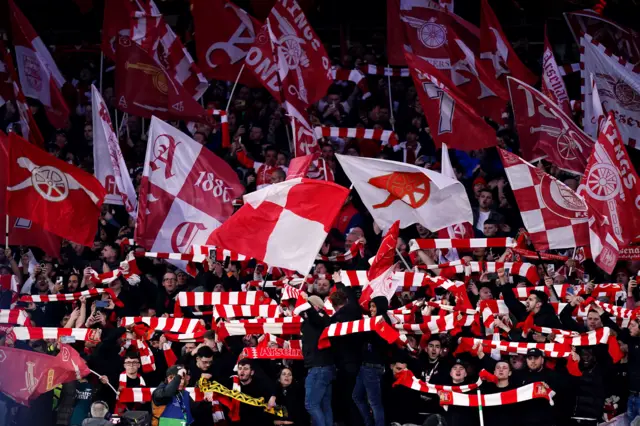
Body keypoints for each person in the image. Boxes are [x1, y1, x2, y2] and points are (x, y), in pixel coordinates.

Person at [232, 359, 277, 426]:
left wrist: (273, 396)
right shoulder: (232, 382)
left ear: (252, 372)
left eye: (246, 369)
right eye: (240, 368)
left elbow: (276, 389)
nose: (242, 371)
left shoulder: (261, 384)